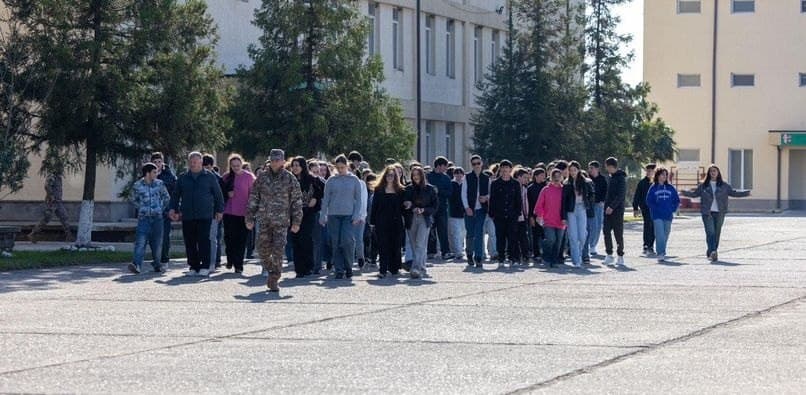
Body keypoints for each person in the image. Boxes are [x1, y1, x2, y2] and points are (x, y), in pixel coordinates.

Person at [246, 149, 303, 292]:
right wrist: (249, 217)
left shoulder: (290, 178)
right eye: (273, 160)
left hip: (281, 222)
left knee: (278, 251)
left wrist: (296, 221)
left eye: (278, 160)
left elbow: (296, 201)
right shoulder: (262, 178)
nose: (275, 163)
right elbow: (254, 198)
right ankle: (272, 269)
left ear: (283, 161)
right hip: (264, 220)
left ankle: (274, 278)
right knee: (262, 250)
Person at [169, 151, 224, 277]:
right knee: (190, 241)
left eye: (196, 162)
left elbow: (218, 195)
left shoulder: (209, 176)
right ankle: (193, 266)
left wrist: (219, 210)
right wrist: (173, 209)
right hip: (188, 215)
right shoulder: (183, 177)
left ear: (201, 162)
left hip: (205, 214)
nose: (193, 164)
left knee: (204, 240)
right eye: (191, 162)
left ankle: (205, 266)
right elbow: (175, 195)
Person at [681, 164, 750, 262]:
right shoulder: (703, 186)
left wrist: (746, 193)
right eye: (711, 171)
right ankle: (713, 251)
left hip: (720, 212)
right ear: (709, 173)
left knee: (717, 233)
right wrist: (684, 193)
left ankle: (711, 252)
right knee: (710, 233)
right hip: (707, 212)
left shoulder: (724, 185)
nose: (713, 173)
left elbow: (734, 193)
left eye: (714, 171)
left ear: (718, 173)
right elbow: (694, 194)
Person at [321, 155, 364, 280]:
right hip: (334, 215)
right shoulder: (331, 180)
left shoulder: (354, 180)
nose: (340, 170)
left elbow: (359, 199)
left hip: (348, 215)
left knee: (347, 241)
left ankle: (348, 266)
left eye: (343, 167)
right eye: (338, 167)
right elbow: (326, 200)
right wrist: (323, 215)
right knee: (335, 242)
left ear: (347, 166)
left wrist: (357, 215)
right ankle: (339, 269)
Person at [128, 163, 171, 274]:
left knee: (156, 244)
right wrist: (141, 207)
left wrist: (160, 208)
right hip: (144, 218)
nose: (156, 174)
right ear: (147, 173)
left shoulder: (160, 184)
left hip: (157, 219)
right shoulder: (138, 185)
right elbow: (132, 199)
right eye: (154, 172)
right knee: (140, 242)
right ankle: (136, 265)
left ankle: (157, 264)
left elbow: (166, 197)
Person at [288, 156, 324, 278]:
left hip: (308, 214)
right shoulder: (289, 180)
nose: (295, 168)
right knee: (295, 240)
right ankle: (299, 269)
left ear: (303, 166)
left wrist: (315, 199)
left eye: (297, 165)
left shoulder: (312, 179)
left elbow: (321, 189)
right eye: (293, 165)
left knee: (305, 239)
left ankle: (308, 266)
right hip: (292, 214)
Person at [221, 154, 256, 274]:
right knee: (229, 238)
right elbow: (220, 194)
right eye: (233, 165)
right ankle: (230, 259)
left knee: (241, 240)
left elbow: (254, 194)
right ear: (230, 165)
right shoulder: (226, 177)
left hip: (244, 213)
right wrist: (227, 194)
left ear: (242, 164)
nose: (236, 167)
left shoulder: (249, 177)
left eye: (238, 165)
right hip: (229, 212)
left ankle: (239, 264)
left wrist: (252, 211)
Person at [369, 166, 406, 278]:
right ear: (385, 176)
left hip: (396, 221)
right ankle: (383, 270)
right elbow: (374, 206)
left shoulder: (400, 190)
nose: (390, 177)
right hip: (381, 221)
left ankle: (394, 268)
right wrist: (372, 222)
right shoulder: (379, 189)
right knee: (383, 245)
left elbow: (403, 208)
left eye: (392, 175)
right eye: (388, 175)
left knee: (395, 245)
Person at [403, 166, 439, 279]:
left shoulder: (430, 189)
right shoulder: (408, 188)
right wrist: (411, 206)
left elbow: (435, 206)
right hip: (411, 218)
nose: (416, 177)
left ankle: (416, 268)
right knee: (415, 245)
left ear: (422, 175)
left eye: (418, 174)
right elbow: (405, 202)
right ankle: (422, 267)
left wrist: (423, 210)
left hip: (425, 218)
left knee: (419, 243)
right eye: (414, 175)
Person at [489, 160, 523, 269]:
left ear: (510, 169)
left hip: (512, 215)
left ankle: (513, 258)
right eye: (503, 168)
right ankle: (501, 258)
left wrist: (518, 212)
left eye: (507, 168)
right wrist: (492, 213)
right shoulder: (495, 183)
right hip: (499, 215)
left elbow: (519, 199)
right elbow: (492, 199)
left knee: (512, 237)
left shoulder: (515, 183)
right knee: (500, 238)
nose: (505, 170)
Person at [562, 161, 595, 268]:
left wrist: (588, 203)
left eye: (574, 170)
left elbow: (592, 194)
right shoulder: (566, 183)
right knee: (573, 235)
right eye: (570, 170)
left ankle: (580, 254)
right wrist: (563, 216)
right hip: (571, 210)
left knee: (582, 235)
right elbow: (564, 201)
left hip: (582, 208)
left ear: (578, 170)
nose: (572, 172)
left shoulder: (586, 182)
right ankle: (576, 260)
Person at [28, 168, 73, 243]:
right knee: (46, 219)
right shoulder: (52, 176)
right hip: (52, 202)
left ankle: (69, 236)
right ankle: (33, 234)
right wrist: (51, 196)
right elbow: (47, 186)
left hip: (58, 202)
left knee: (64, 217)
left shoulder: (59, 177)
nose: (63, 170)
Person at [645, 167, 680, 263]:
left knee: (665, 234)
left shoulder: (670, 188)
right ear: (658, 175)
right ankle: (661, 253)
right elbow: (648, 200)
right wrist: (655, 208)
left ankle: (661, 250)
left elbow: (676, 200)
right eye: (662, 174)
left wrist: (672, 209)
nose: (664, 176)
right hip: (657, 215)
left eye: (665, 175)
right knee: (659, 234)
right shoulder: (653, 187)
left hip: (668, 215)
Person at [535, 169, 567, 268]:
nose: (557, 178)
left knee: (558, 242)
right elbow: (539, 204)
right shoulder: (546, 189)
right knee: (551, 239)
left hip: (561, 220)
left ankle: (554, 260)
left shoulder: (564, 190)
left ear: (562, 177)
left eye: (559, 176)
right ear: (551, 178)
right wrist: (539, 215)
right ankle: (546, 257)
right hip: (548, 220)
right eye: (554, 176)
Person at [150, 152, 177, 264]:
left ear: (163, 162)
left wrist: (174, 208)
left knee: (165, 235)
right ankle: (156, 258)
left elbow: (174, 192)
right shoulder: (148, 174)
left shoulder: (169, 175)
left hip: (165, 210)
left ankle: (164, 259)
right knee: (152, 236)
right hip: (151, 211)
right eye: (155, 162)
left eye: (159, 162)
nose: (157, 164)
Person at [426, 156, 453, 261]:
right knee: (430, 231)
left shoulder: (446, 178)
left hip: (442, 208)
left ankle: (445, 252)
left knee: (443, 231)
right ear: (439, 166)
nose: (446, 168)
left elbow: (450, 193)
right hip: (430, 208)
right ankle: (431, 252)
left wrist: (439, 190)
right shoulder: (428, 176)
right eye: (445, 166)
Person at [603, 157, 627, 268]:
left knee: (618, 233)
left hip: (617, 210)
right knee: (606, 231)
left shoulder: (621, 178)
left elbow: (621, 195)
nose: (606, 168)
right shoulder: (609, 177)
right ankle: (609, 254)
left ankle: (620, 256)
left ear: (611, 166)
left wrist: (612, 207)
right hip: (607, 210)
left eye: (607, 166)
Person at [203, 154, 224, 270]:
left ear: (211, 166)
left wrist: (219, 210)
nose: (205, 169)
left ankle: (215, 261)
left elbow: (220, 197)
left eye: (207, 166)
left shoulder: (217, 178)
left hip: (215, 213)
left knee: (214, 237)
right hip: (203, 213)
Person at [633, 163, 657, 256]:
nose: (649, 172)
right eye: (647, 171)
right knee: (648, 225)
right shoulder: (642, 183)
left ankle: (651, 245)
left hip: (656, 209)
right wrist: (635, 208)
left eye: (651, 171)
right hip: (645, 208)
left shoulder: (657, 183)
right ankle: (646, 245)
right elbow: (637, 196)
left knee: (654, 227)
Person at [586, 161, 608, 257]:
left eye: (592, 168)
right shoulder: (586, 179)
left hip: (599, 205)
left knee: (597, 226)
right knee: (589, 225)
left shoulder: (603, 179)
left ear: (597, 169)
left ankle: (593, 246)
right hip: (589, 205)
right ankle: (587, 245)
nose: (590, 170)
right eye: (589, 168)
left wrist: (603, 201)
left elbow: (606, 191)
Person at [527, 168, 547, 262]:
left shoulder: (547, 187)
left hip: (547, 215)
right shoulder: (530, 188)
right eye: (541, 175)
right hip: (535, 215)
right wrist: (530, 217)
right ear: (536, 176)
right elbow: (530, 204)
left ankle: (546, 252)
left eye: (544, 175)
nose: (544, 177)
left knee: (545, 235)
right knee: (535, 235)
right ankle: (536, 254)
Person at [448, 167, 466, 261]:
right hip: (453, 212)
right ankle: (458, 252)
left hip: (464, 212)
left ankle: (460, 248)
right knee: (455, 232)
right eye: (457, 173)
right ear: (454, 174)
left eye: (460, 173)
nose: (459, 175)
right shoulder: (451, 184)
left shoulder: (465, 184)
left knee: (463, 233)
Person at [515, 168, 532, 265]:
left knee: (523, 237)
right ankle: (516, 256)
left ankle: (525, 255)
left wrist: (527, 214)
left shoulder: (525, 188)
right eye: (525, 177)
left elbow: (526, 203)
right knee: (514, 237)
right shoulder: (513, 186)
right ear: (519, 177)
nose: (527, 180)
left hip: (523, 216)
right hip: (514, 216)